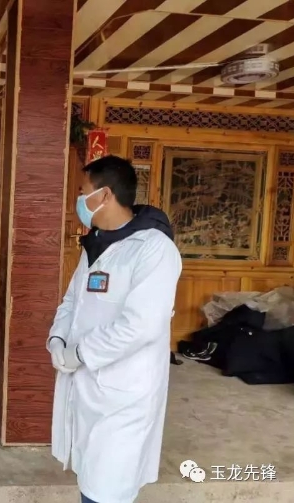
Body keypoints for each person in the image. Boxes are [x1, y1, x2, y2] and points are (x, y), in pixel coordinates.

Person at [47, 155, 182, 503]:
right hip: (86, 385)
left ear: (104, 195)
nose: (78, 200)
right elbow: (72, 301)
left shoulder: (154, 249)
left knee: (106, 489)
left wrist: (79, 354)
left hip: (124, 393)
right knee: (90, 478)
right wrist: (57, 339)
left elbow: (141, 326)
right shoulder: (96, 243)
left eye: (83, 192)